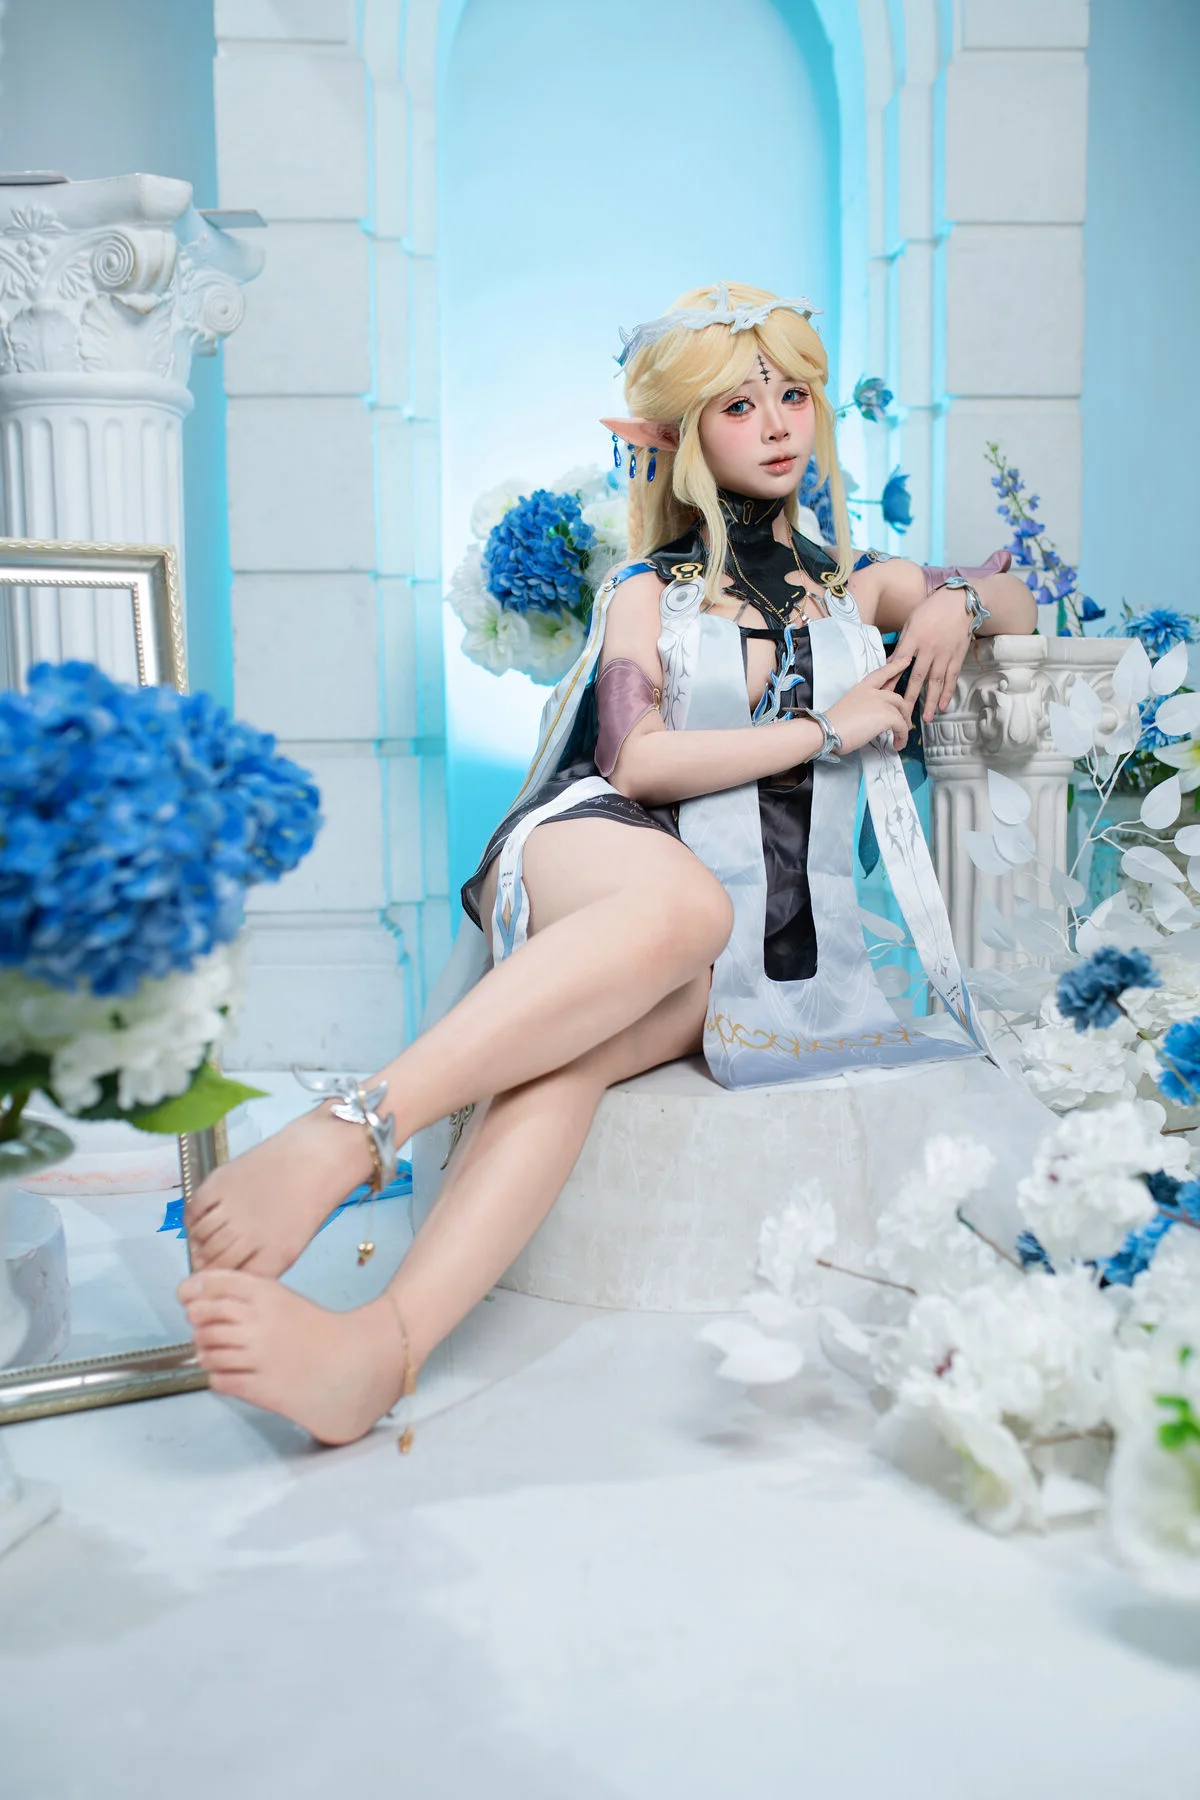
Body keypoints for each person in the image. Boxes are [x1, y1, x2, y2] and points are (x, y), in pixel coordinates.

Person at [178, 282, 1037, 1445]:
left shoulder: (855, 582)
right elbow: (636, 759)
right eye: (740, 405)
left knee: (576, 1059)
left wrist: (951, 605)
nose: (777, 424)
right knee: (686, 909)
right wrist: (823, 731)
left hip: (713, 945)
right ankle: (349, 1131)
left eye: (793, 396)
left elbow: (1023, 599)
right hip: (598, 837)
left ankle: (378, 1351)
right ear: (689, 437)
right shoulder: (648, 590)